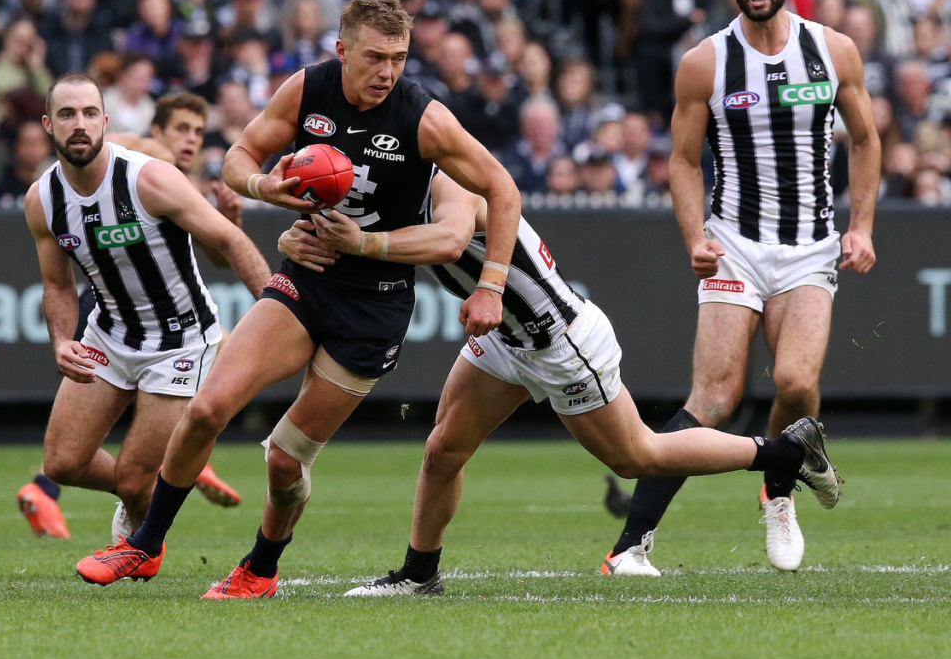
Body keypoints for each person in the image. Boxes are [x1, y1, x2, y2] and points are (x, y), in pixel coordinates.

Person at [74, 0, 522, 596]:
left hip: (373, 309)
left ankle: (260, 568)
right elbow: (238, 158)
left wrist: (488, 285)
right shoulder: (309, 89)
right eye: (374, 57)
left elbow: (503, 189)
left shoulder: (424, 119)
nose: (387, 71)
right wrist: (267, 188)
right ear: (342, 52)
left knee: (285, 461)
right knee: (208, 407)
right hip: (305, 280)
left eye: (399, 58)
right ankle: (144, 545)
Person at [269, 169, 843, 596]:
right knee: (444, 447)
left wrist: (359, 243)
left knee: (637, 456)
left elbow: (442, 241)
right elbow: (361, 243)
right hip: (506, 336)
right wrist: (293, 241)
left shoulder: (454, 184)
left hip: (558, 339)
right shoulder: (394, 191)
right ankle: (420, 575)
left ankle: (784, 451)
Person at [603, 0, 881, 577]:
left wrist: (862, 226)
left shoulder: (833, 52)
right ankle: (629, 545)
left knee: (795, 382)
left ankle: (777, 492)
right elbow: (681, 159)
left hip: (810, 245)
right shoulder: (705, 62)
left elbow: (866, 140)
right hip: (735, 243)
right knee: (714, 397)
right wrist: (695, 236)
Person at [18, 74, 272, 546]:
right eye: (68, 115)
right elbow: (57, 284)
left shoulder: (149, 178)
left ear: (106, 122)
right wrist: (61, 339)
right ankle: (148, 501)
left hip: (180, 341)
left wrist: (277, 306)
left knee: (136, 480)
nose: (80, 124)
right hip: (109, 334)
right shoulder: (42, 200)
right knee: (62, 464)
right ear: (48, 125)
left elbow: (229, 241)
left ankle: (143, 536)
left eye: (90, 113)